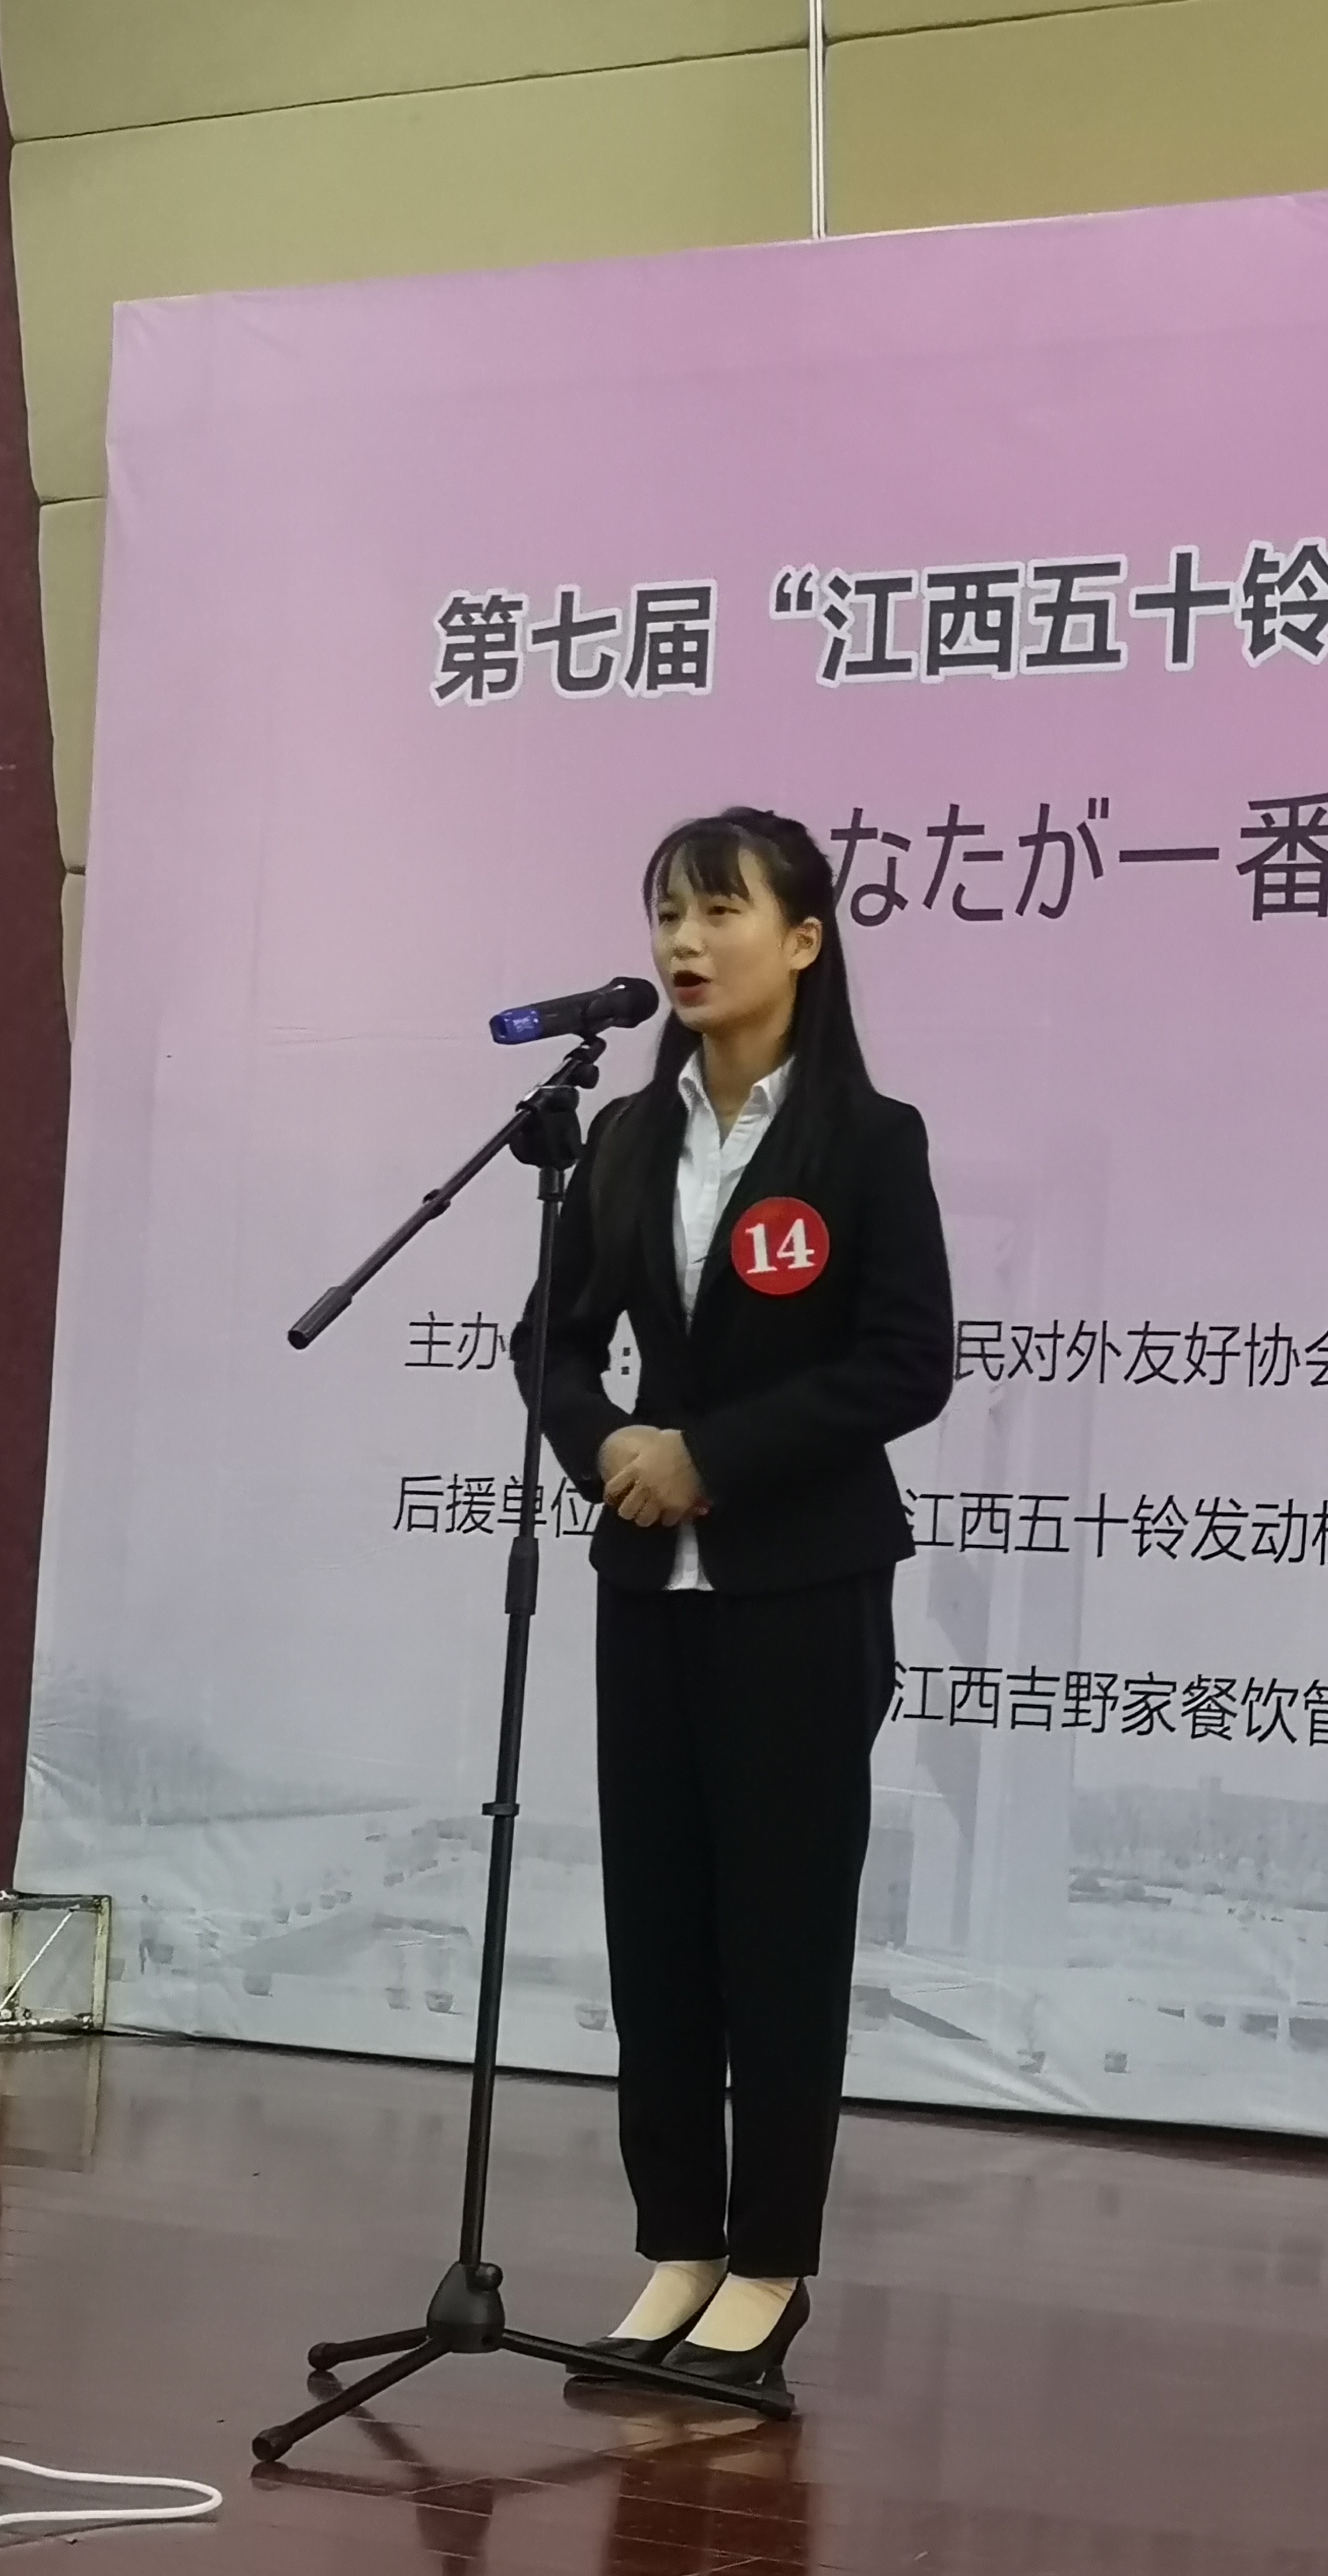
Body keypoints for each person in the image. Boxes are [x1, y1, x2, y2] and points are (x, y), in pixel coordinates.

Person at [514, 806, 952, 2395]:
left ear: (804, 941)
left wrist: (712, 1455)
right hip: (652, 1588)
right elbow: (552, 1345)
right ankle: (677, 2250)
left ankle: (768, 2266)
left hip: (800, 1585)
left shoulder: (867, 1139)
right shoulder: (626, 1138)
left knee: (780, 1932)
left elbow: (906, 1365)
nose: (685, 944)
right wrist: (612, 1449)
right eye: (667, 916)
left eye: (718, 913)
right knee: (660, 1928)